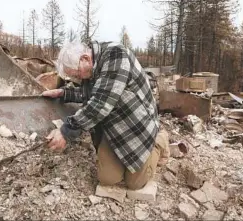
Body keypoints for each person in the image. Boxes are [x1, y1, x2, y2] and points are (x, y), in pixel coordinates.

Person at [42, 41, 170, 190]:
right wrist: (64, 93)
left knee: (135, 183)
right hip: (114, 126)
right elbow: (95, 92)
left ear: (85, 59)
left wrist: (66, 131)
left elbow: (100, 104)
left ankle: (160, 140)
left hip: (137, 125)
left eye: (76, 74)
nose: (78, 79)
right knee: (108, 179)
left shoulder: (116, 55)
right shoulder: (90, 68)